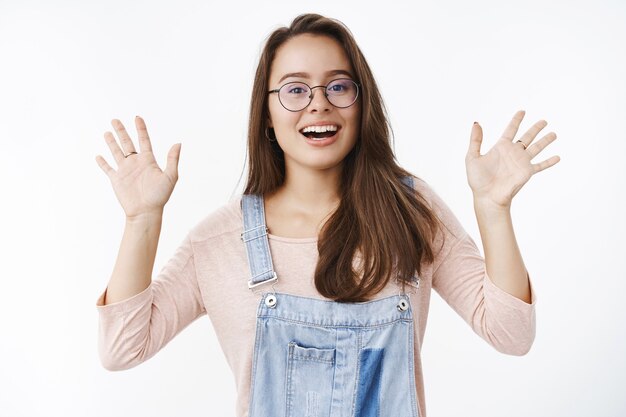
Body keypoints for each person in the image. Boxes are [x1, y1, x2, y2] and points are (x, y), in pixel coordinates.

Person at [94, 13, 559, 417]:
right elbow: (122, 350)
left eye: (338, 86)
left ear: (361, 104)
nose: (319, 103)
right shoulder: (219, 241)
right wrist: (141, 220)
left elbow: (511, 334)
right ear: (267, 116)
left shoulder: (410, 211)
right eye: (295, 89)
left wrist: (492, 209)